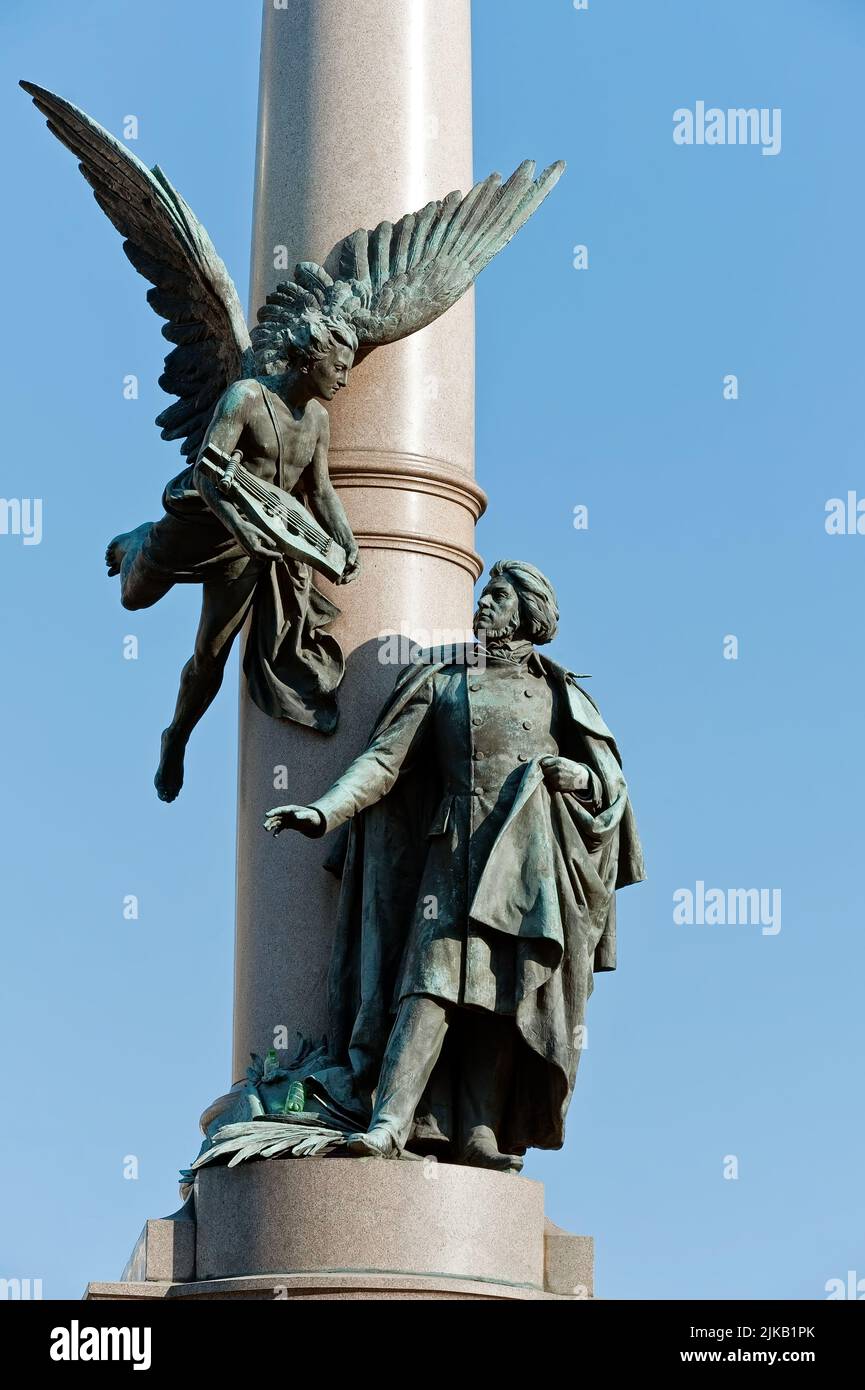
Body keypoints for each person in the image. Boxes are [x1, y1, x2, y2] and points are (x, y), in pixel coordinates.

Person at [264, 561, 645, 1170]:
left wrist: (581, 778)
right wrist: (323, 811)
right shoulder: (442, 680)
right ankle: (390, 1122)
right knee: (430, 984)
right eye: (483, 593)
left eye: (498, 595)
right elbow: (383, 763)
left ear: (528, 612)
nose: (484, 603)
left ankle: (478, 1131)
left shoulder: (560, 694)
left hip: (526, 865)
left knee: (505, 992)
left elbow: (612, 787)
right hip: (451, 855)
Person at [109, 315, 361, 801]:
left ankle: (175, 735)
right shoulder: (245, 397)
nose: (345, 378)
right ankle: (136, 541)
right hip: (205, 522)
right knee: (132, 598)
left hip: (249, 546)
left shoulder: (318, 420)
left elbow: (321, 489)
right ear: (311, 359)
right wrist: (242, 525)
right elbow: (206, 472)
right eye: (339, 366)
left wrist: (345, 539)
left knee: (211, 654)